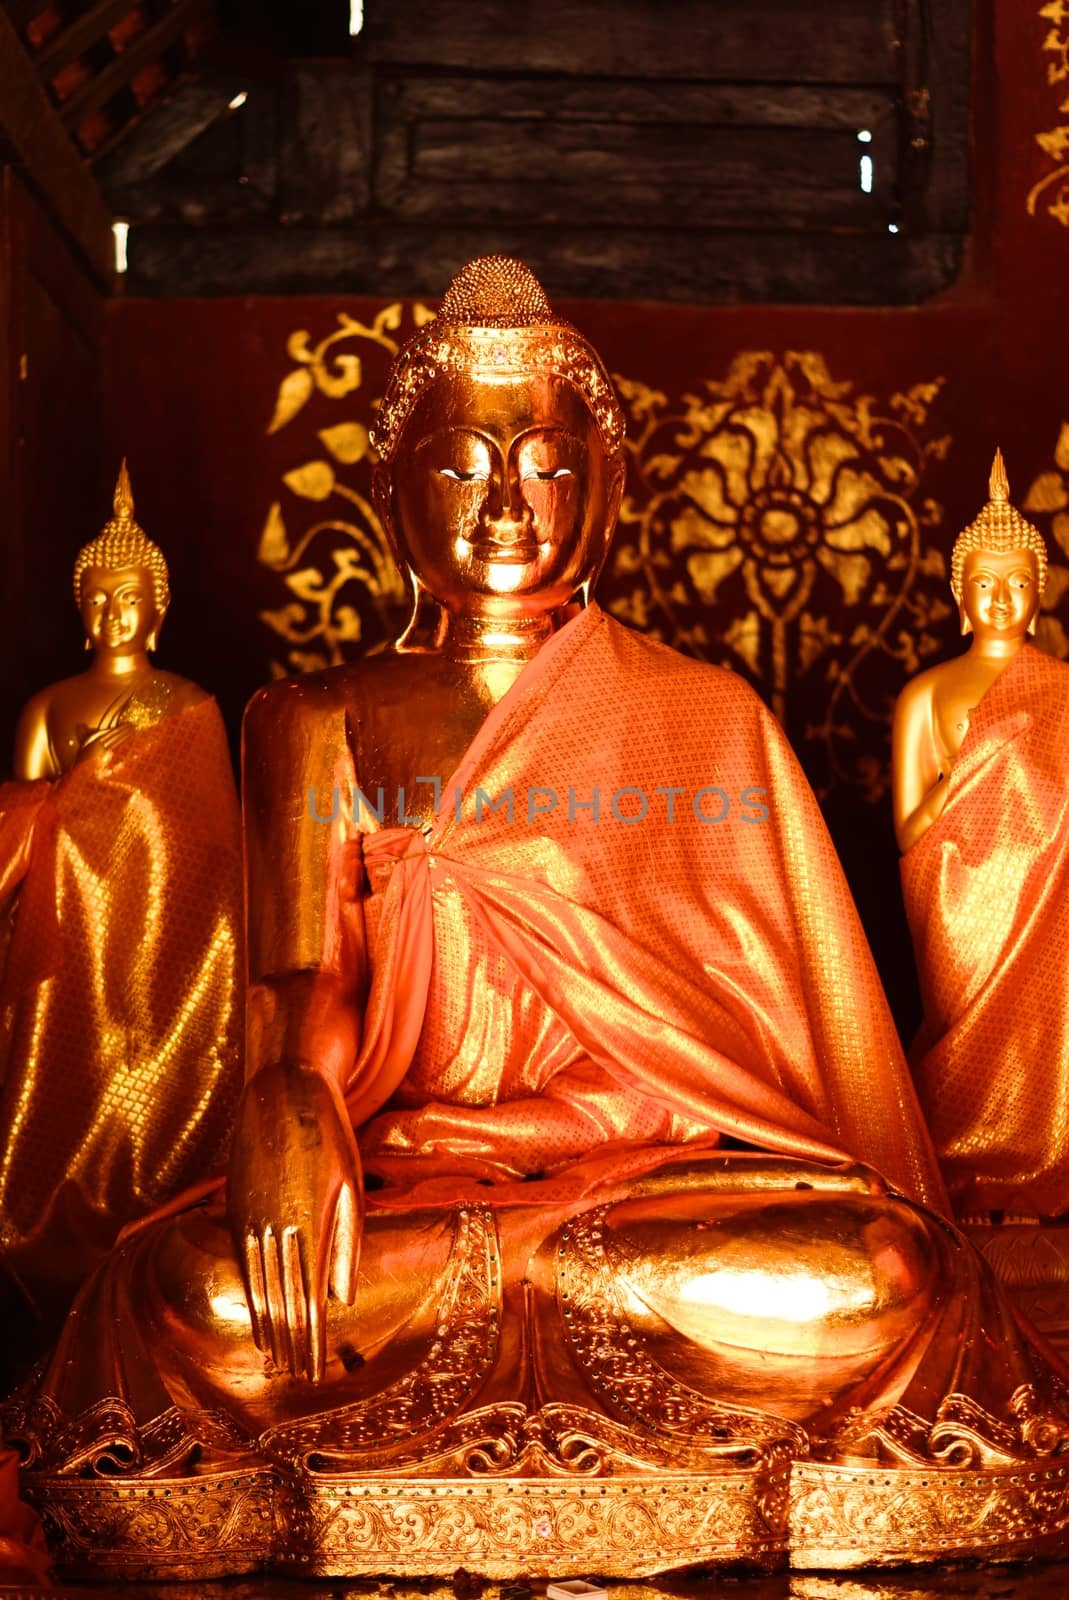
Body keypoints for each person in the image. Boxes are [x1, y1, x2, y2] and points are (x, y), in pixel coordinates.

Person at [7, 265, 1069, 1582]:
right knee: (194, 1298)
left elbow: (755, 1045)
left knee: (876, 1272)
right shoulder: (314, 717)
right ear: (393, 490)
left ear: (605, 491)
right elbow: (302, 967)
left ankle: (546, 1305)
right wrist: (287, 1096)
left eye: (543, 464)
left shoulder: (701, 713)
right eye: (458, 467)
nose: (503, 502)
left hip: (663, 1177)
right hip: (408, 1169)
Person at [0, 464, 243, 1331]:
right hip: (67, 949)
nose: (113, 612)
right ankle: (56, 1273)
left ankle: (159, 1251)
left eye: (128, 595)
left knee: (178, 1091)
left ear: (159, 603)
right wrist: (75, 800)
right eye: (97, 598)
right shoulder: (49, 708)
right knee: (57, 1115)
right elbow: (17, 820)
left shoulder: (192, 705)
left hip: (173, 950)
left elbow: (214, 846)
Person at [893, 451, 1069, 1218]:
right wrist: (963, 776)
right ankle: (958, 1167)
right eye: (984, 585)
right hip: (959, 902)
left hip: (1049, 900)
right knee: (958, 1039)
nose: (1000, 598)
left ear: (1040, 596)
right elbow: (906, 832)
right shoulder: (926, 693)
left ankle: (1041, 1170)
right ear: (959, 596)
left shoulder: (1063, 693)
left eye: (1017, 584)